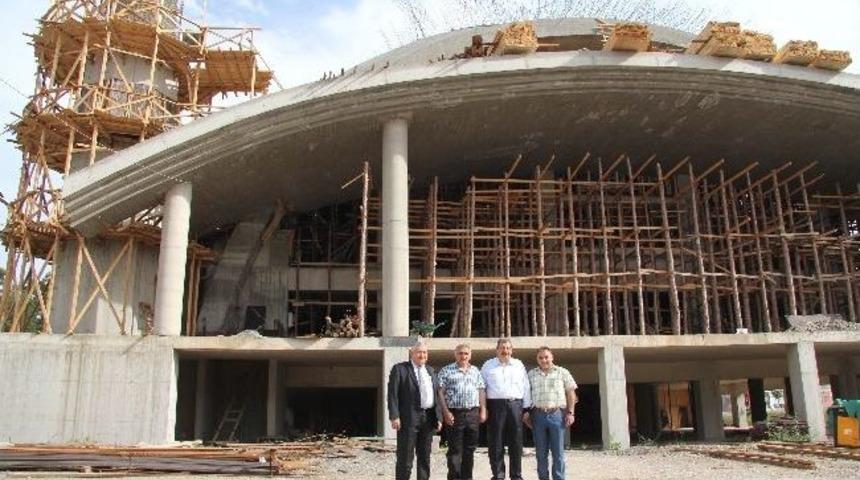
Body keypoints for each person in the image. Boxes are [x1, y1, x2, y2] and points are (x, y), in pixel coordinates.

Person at [387, 339, 443, 480]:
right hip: (408, 418)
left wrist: (439, 417)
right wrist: (394, 416)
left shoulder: (430, 371)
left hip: (428, 418)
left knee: (424, 458)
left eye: (424, 352)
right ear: (412, 353)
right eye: (419, 352)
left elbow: (436, 396)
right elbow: (392, 394)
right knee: (405, 458)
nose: (422, 355)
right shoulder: (400, 369)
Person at [523, 346, 578, 480]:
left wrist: (570, 413)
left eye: (546, 357)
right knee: (541, 453)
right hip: (537, 415)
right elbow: (526, 395)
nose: (544, 360)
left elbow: (571, 393)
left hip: (557, 415)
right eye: (540, 357)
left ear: (552, 357)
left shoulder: (562, 372)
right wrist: (525, 413)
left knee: (558, 453)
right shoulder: (531, 374)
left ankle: (559, 478)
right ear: (537, 359)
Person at [481, 338, 531, 480]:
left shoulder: (518, 365)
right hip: (495, 406)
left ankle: (516, 476)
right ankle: (498, 475)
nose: (505, 351)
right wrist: (484, 407)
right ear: (497, 350)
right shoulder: (488, 365)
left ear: (512, 350)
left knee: (516, 442)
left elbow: (525, 387)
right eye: (502, 348)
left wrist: (526, 409)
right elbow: (482, 388)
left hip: (516, 405)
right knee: (496, 442)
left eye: (508, 348)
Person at [438, 343, 487, 480]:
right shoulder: (446, 370)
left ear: (470, 355)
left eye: (466, 353)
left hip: (473, 414)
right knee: (455, 450)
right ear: (455, 354)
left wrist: (483, 410)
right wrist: (446, 412)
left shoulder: (476, 371)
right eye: (460, 353)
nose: (463, 356)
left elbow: (481, 390)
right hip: (455, 414)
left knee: (469, 450)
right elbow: (440, 392)